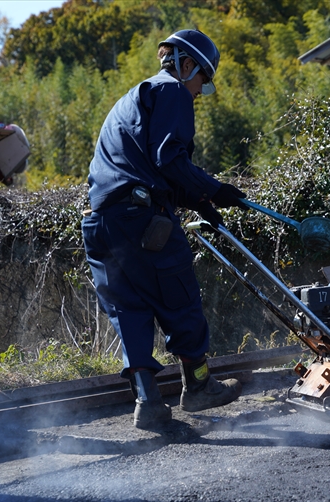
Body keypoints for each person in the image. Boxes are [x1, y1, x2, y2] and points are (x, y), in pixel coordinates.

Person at [82, 30, 247, 429]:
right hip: (143, 223)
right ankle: (200, 387)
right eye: (202, 83)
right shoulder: (171, 90)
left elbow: (150, 167)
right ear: (187, 64)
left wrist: (199, 203)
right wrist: (214, 189)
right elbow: (169, 157)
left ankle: (149, 404)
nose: (198, 93)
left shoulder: (132, 100)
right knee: (181, 298)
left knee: (130, 311)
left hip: (102, 224)